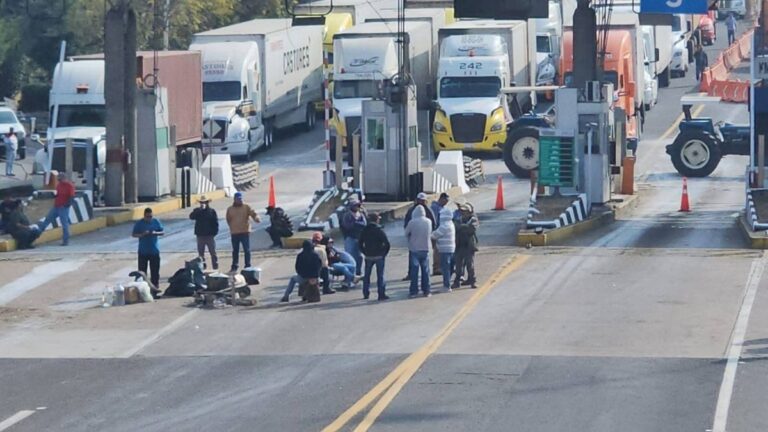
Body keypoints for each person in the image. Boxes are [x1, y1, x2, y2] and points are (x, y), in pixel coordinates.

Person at [401, 192, 436, 281]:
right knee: (413, 259)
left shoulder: (428, 211)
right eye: (420, 200)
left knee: (423, 261)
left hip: (424, 238)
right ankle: (411, 274)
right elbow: (406, 223)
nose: (421, 202)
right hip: (414, 238)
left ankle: (423, 279)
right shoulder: (412, 210)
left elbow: (434, 224)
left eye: (423, 201)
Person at [37, 172, 76, 246]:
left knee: (64, 224)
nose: (59, 181)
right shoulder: (59, 185)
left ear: (64, 178)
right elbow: (58, 194)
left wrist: (67, 205)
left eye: (60, 179)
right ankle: (36, 234)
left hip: (63, 207)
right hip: (56, 206)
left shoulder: (69, 186)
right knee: (47, 220)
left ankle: (65, 240)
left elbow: (71, 197)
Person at [226, 191, 260, 272]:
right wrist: (232, 227)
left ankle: (247, 265)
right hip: (234, 233)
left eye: (241, 199)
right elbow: (228, 219)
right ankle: (234, 266)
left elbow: (253, 213)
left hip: (244, 231)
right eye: (238, 199)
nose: (240, 200)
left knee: (246, 250)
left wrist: (256, 218)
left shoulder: (246, 207)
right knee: (235, 250)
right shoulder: (230, 209)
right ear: (234, 199)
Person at [360, 213, 390, 300]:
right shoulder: (379, 230)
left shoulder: (364, 230)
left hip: (368, 256)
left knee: (367, 276)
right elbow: (387, 243)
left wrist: (364, 252)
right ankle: (381, 294)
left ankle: (366, 293)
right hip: (379, 256)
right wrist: (384, 254)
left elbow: (360, 243)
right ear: (376, 219)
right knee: (380, 276)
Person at [132, 208, 164, 288]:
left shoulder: (156, 221)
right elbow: (134, 234)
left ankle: (155, 287)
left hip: (154, 251)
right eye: (147, 217)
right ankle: (143, 287)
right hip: (143, 251)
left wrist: (155, 233)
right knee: (142, 272)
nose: (149, 218)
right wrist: (142, 234)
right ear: (144, 216)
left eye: (151, 216)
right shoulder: (139, 223)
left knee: (155, 272)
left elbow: (162, 232)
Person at [405, 205, 432, 298]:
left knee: (414, 271)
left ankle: (414, 291)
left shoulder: (412, 222)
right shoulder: (429, 222)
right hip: (426, 249)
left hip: (414, 249)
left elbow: (406, 233)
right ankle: (427, 290)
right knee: (425, 271)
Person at [189, 194, 219, 270]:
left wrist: (214, 232)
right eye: (202, 202)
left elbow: (215, 222)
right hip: (200, 235)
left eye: (205, 202)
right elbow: (191, 217)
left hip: (209, 235)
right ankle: (203, 266)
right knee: (201, 253)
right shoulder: (197, 211)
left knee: (213, 251)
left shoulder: (211, 211)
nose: (203, 204)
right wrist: (199, 211)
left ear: (207, 202)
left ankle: (215, 266)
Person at [453, 203, 479, 289]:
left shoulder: (473, 220)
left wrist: (462, 227)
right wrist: (464, 227)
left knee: (469, 265)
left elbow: (471, 229)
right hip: (459, 245)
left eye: (465, 211)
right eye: (462, 211)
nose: (463, 213)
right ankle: (457, 281)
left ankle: (472, 281)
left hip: (469, 246)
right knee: (458, 265)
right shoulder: (459, 219)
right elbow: (456, 227)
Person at [431, 207, 456, 292]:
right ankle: (448, 282)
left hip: (444, 249)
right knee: (449, 267)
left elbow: (435, 235)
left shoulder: (444, 225)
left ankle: (446, 286)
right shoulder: (451, 223)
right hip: (451, 248)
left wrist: (430, 234)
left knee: (445, 268)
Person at [341, 198, 367, 275]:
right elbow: (347, 226)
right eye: (356, 205)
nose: (357, 207)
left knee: (360, 257)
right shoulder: (347, 215)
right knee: (350, 257)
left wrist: (356, 224)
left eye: (358, 205)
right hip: (350, 238)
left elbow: (364, 224)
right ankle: (350, 274)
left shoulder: (361, 215)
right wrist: (357, 224)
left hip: (359, 238)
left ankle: (358, 272)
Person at [430, 193, 450, 275]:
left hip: (442, 231)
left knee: (441, 250)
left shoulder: (442, 208)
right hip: (437, 231)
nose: (446, 203)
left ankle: (440, 266)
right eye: (446, 201)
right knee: (437, 250)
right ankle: (436, 268)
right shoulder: (435, 208)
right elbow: (435, 221)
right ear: (441, 199)